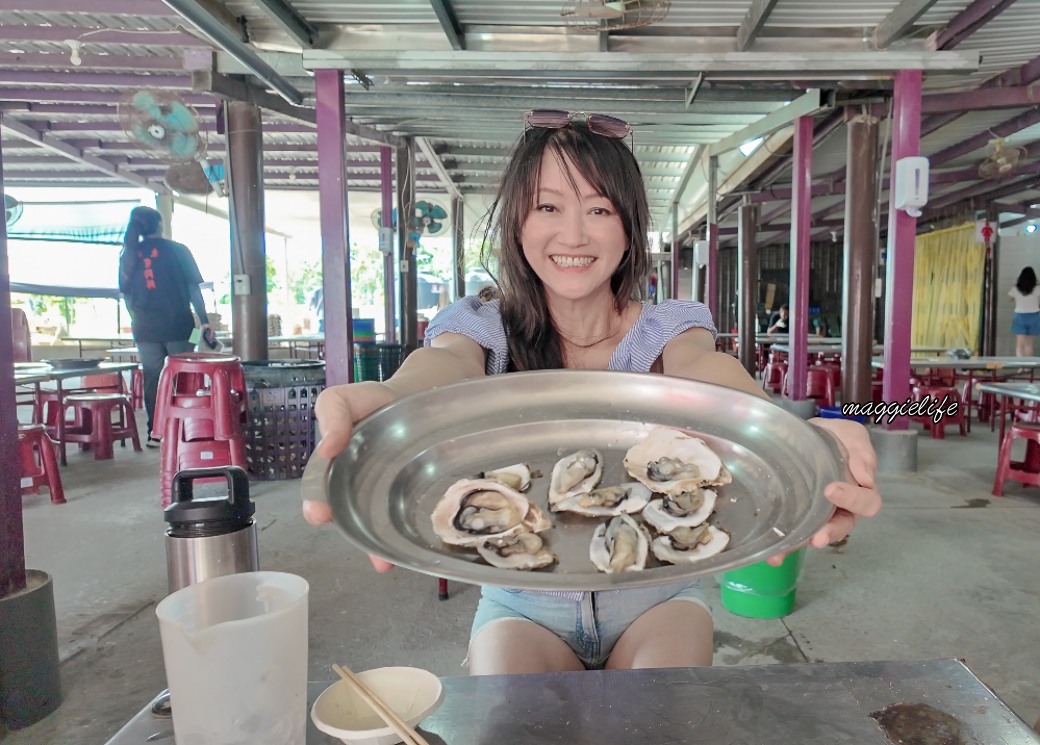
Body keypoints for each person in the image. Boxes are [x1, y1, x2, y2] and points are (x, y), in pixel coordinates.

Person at [303, 112, 882, 675]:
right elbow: (443, 365)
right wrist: (386, 395)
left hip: (658, 595)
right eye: (548, 206)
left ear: (629, 227)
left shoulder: (667, 328)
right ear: (517, 224)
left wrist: (787, 432)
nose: (574, 234)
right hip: (520, 603)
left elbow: (709, 371)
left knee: (660, 720)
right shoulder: (481, 323)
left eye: (599, 209)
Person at [118, 206, 210, 447]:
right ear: (160, 224)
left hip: (145, 330)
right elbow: (193, 289)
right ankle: (187, 430)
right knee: (185, 377)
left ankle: (155, 433)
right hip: (180, 326)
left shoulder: (129, 254)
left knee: (154, 380)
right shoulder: (178, 250)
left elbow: (127, 297)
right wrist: (205, 320)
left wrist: (139, 318)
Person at [1008, 267, 1040, 356]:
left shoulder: (1016, 288)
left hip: (1019, 317)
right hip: (1034, 317)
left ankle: (1020, 367)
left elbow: (1010, 299)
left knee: (1019, 344)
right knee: (1029, 344)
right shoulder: (1037, 288)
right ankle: (1027, 368)